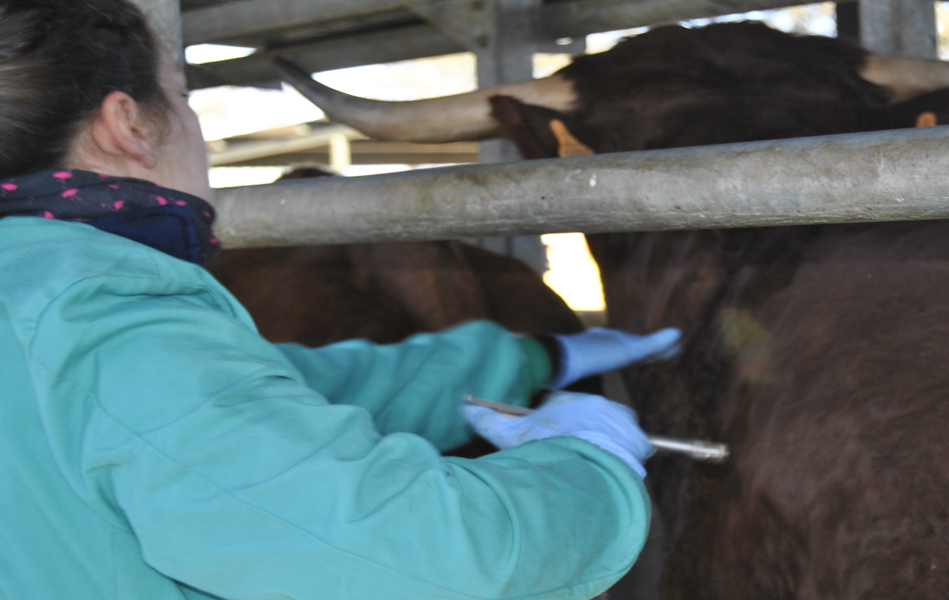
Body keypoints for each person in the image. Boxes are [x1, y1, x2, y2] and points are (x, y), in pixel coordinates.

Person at [0, 1, 681, 598]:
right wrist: (592, 473)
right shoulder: (98, 307)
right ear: (130, 125)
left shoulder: (40, 295)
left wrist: (531, 360)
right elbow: (403, 553)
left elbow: (275, 390)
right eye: (182, 93)